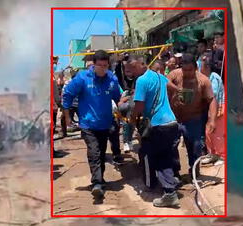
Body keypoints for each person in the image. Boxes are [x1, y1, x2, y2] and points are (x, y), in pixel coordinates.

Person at [62, 50, 123, 199]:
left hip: (105, 123)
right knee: (94, 152)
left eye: (105, 65)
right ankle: (96, 183)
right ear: (93, 65)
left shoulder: (112, 79)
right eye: (100, 66)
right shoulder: (83, 78)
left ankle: (99, 179)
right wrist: (67, 117)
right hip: (88, 124)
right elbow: (67, 94)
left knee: (101, 153)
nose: (103, 69)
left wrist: (123, 109)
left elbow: (119, 97)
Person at [123, 55, 181, 207]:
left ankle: (161, 189)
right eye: (130, 70)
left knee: (149, 154)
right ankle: (171, 183)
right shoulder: (158, 76)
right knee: (166, 155)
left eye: (134, 68)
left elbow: (139, 105)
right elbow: (173, 88)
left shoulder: (141, 81)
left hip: (158, 124)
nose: (132, 72)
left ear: (142, 64)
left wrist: (133, 119)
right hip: (172, 122)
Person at [167, 54, 217, 180]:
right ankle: (175, 172)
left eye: (190, 70)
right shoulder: (175, 74)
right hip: (175, 118)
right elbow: (164, 82)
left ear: (195, 68)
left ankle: (194, 171)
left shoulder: (203, 81)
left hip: (194, 119)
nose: (187, 73)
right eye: (184, 70)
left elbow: (211, 100)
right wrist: (176, 88)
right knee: (172, 146)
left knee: (195, 146)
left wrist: (212, 120)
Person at [200, 55, 225, 158]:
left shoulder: (214, 77)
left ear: (206, 67)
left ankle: (221, 156)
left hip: (218, 107)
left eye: (200, 66)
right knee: (208, 132)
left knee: (217, 133)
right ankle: (212, 154)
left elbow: (212, 94)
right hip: (208, 109)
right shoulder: (205, 78)